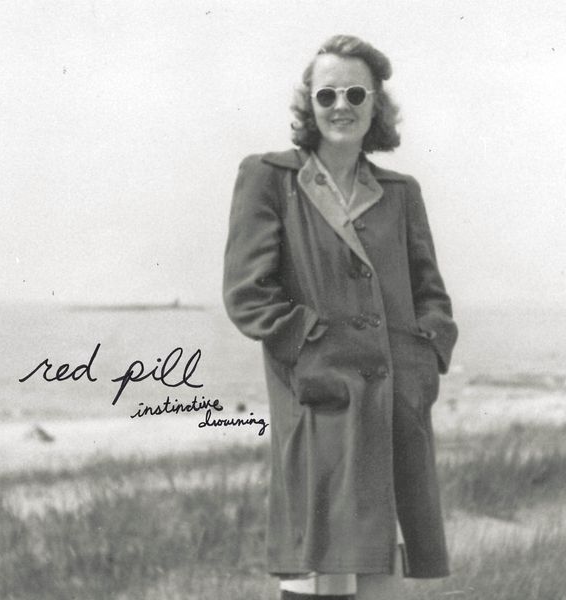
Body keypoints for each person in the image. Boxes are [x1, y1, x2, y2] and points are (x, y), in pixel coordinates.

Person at [223, 34, 458, 600]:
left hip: (392, 404)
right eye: (326, 95)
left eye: (355, 94)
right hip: (318, 398)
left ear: (376, 104)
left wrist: (423, 361)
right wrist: (313, 353)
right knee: (316, 571)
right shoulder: (270, 178)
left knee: (383, 569)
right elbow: (248, 294)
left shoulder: (401, 193)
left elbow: (431, 296)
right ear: (309, 103)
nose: (340, 106)